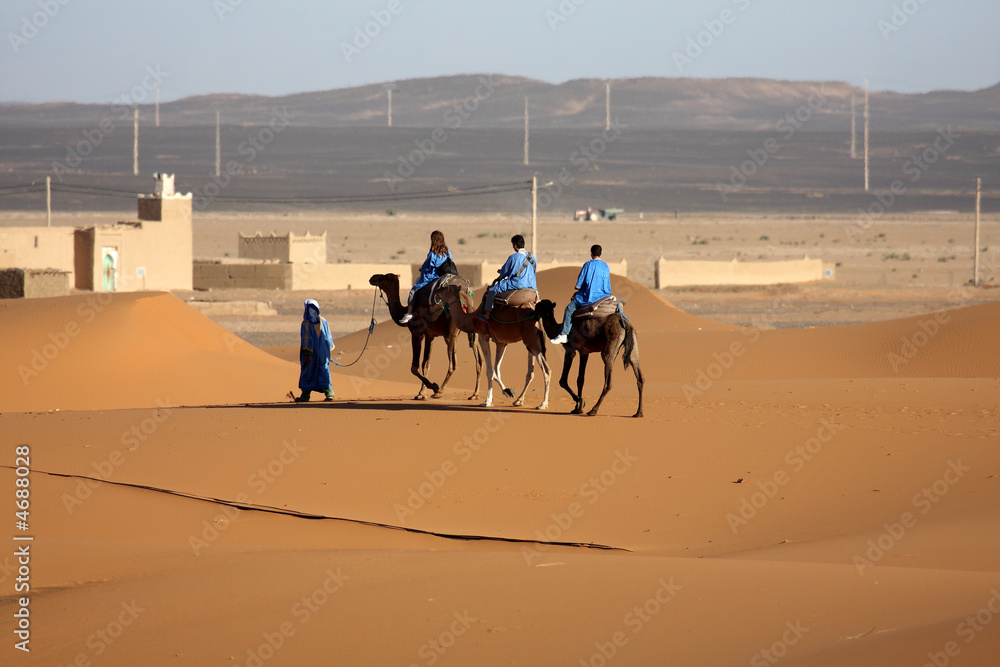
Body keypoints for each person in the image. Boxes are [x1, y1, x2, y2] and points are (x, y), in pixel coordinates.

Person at [550, 244, 612, 344]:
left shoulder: (588, 265)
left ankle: (564, 334)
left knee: (569, 309)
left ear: (591, 253)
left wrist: (579, 288)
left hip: (589, 297)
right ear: (601, 253)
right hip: (603, 297)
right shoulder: (606, 266)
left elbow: (579, 285)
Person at [400, 230, 454, 324]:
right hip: (444, 276)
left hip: (432, 276)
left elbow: (427, 266)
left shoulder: (433, 253)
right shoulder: (447, 252)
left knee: (413, 291)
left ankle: (409, 313)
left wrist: (422, 269)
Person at [480, 234, 536, 319]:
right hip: (532, 286)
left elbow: (504, 273)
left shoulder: (513, 257)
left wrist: (501, 273)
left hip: (517, 284)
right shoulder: (532, 257)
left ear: (515, 246)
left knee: (491, 290)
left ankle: (487, 316)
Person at [296, 299, 335, 402]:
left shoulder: (313, 323)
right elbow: (307, 339)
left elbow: (326, 337)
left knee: (317, 372)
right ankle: (310, 395)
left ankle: (324, 393)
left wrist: (308, 354)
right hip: (316, 354)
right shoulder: (315, 322)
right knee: (315, 371)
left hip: (316, 354)